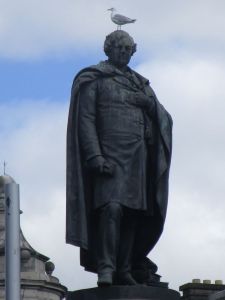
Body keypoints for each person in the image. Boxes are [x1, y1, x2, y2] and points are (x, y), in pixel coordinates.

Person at [66, 30, 172, 287]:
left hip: (138, 157)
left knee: (134, 214)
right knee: (111, 209)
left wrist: (148, 105)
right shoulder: (94, 78)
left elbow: (164, 118)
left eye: (128, 49)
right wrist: (94, 155)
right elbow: (86, 120)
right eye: (119, 48)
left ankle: (124, 268)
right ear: (108, 49)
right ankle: (106, 266)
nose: (123, 53)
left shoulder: (141, 84)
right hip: (109, 156)